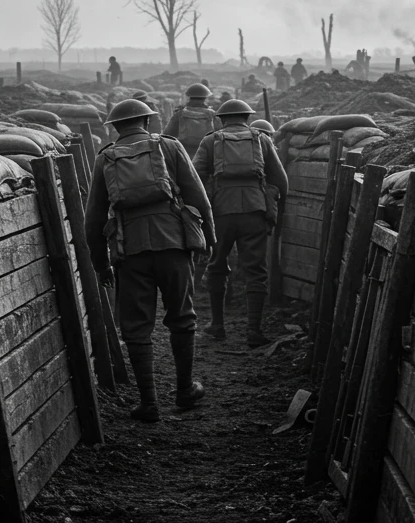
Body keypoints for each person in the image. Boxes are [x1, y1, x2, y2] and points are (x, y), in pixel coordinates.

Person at [84, 98, 216, 422]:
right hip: (174, 244)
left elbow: (92, 221)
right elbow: (199, 198)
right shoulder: (170, 148)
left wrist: (101, 266)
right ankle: (185, 390)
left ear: (114, 127)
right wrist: (209, 239)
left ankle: (149, 403)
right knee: (183, 318)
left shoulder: (105, 159)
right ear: (147, 122)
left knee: (136, 327)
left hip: (130, 252)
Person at [193, 98, 289, 347]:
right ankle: (253, 332)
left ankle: (217, 326)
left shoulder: (210, 141)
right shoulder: (262, 139)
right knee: (255, 270)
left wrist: (203, 209)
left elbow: (194, 178)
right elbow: (281, 180)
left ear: (222, 119)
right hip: (254, 210)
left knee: (216, 265)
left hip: (221, 212)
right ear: (247, 118)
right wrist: (277, 207)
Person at [163, 82, 218, 285]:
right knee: (210, 212)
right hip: (207, 172)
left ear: (188, 97)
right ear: (206, 98)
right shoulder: (214, 116)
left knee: (183, 214)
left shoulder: (179, 115)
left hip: (183, 169)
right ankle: (207, 257)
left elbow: (166, 137)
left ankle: (187, 257)